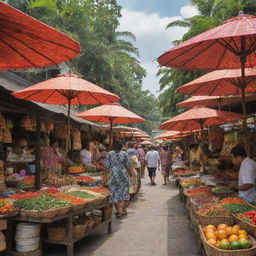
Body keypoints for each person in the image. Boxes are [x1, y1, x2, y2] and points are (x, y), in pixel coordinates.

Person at [104, 140, 133, 218]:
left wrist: (106, 176)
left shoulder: (109, 154)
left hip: (113, 175)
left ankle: (118, 211)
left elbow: (106, 166)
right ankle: (121, 210)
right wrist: (131, 174)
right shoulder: (124, 154)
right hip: (123, 174)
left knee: (114, 192)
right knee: (123, 192)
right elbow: (128, 165)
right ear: (121, 146)